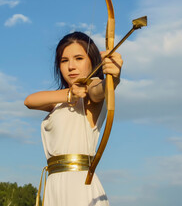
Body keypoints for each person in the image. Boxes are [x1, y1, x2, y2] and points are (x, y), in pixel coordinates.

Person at [24, 31, 123, 206]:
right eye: (64, 60)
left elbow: (99, 90)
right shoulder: (60, 100)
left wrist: (112, 79)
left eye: (79, 58)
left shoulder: (92, 88)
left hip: (80, 185)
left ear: (92, 61)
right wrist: (70, 94)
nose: (71, 66)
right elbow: (29, 101)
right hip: (54, 184)